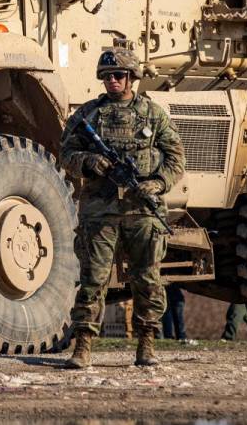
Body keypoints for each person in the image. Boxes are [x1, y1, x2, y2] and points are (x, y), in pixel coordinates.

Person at [61, 48, 186, 368]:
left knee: (147, 279)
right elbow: (66, 153)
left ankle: (146, 344)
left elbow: (175, 158)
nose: (112, 81)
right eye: (106, 77)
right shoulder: (88, 115)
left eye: (118, 75)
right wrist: (90, 162)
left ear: (132, 77)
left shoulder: (153, 115)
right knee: (93, 279)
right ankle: (83, 347)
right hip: (100, 210)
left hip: (142, 210)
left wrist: (157, 184)